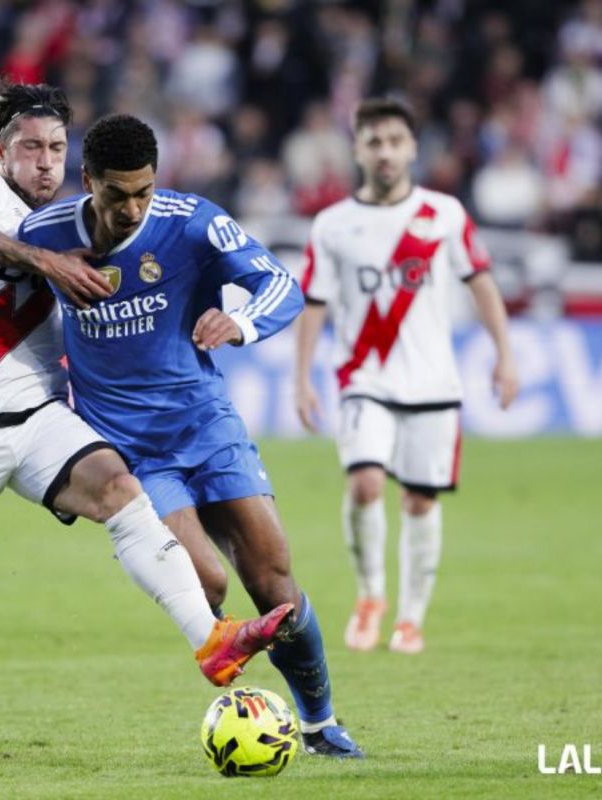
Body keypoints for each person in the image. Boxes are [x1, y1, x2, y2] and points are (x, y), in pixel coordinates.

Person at [0, 83, 291, 761]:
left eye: (54, 148)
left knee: (119, 488)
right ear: (1, 152)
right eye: (29, 148)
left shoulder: (83, 218)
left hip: (40, 414)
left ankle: (211, 641)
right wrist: (46, 263)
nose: (43, 161)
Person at [18, 113, 364, 759]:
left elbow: (281, 285)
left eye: (143, 192)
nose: (131, 208)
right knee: (207, 583)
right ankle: (249, 706)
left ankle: (319, 723)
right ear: (87, 180)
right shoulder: (43, 236)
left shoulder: (193, 221)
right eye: (117, 194)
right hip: (129, 451)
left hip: (205, 424)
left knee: (275, 581)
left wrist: (238, 322)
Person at [293, 98, 519, 655]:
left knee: (420, 501)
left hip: (433, 382)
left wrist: (505, 354)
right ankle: (371, 596)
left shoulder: (444, 214)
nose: (386, 151)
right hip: (362, 376)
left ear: (413, 147)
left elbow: (482, 283)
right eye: (374, 141)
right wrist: (301, 377)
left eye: (395, 141)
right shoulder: (333, 225)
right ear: (357, 148)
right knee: (365, 483)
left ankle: (411, 618)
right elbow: (314, 302)